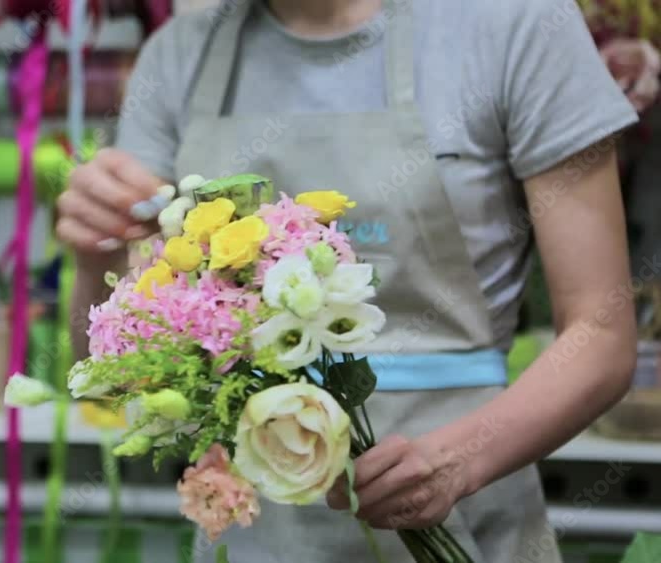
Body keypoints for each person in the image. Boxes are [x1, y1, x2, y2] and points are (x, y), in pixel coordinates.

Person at [56, 0, 638, 561]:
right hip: (258, 532)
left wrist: (459, 461)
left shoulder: (515, 24)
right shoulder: (179, 57)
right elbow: (114, 377)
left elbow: (602, 335)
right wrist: (92, 252)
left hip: (470, 516)